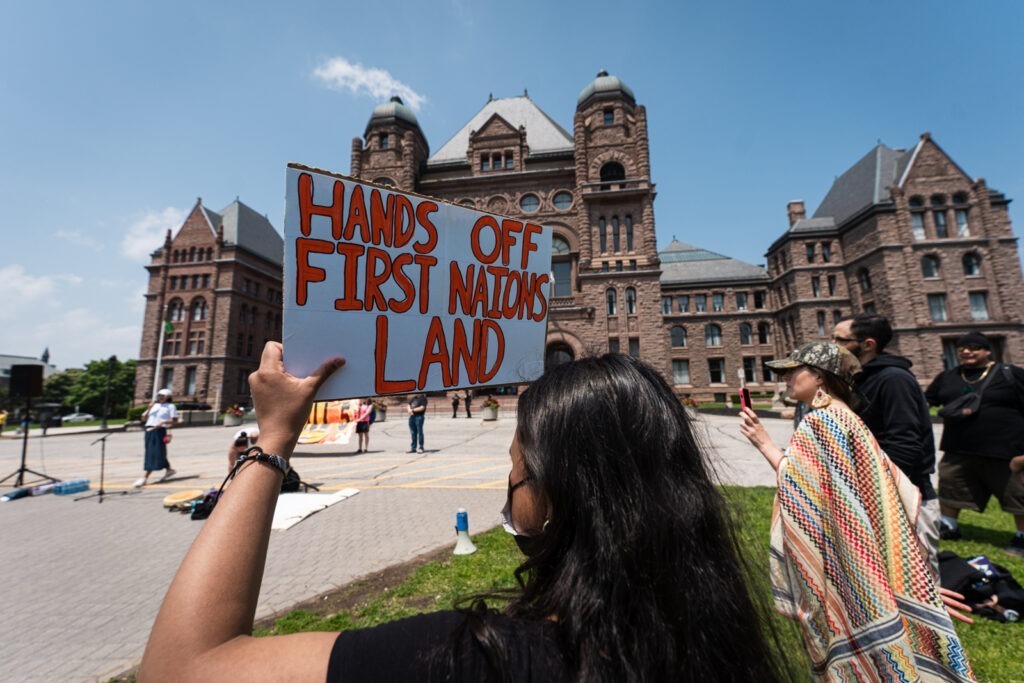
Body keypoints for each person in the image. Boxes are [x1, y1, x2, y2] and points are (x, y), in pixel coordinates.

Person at [140, 345, 794, 681]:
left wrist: (272, 441)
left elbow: (184, 670)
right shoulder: (718, 648)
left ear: (556, 493)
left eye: (516, 464)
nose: (508, 482)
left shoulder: (476, 660)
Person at [739, 342, 973, 681]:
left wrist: (763, 443)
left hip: (847, 561)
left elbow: (802, 491)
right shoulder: (847, 417)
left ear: (819, 375)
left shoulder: (820, 422)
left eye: (793, 371)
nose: (786, 378)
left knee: (856, 647)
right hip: (868, 550)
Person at [833, 314, 941, 573]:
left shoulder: (893, 379)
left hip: (906, 496)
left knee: (917, 576)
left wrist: (884, 491)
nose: (833, 344)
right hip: (875, 492)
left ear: (868, 344)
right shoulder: (858, 378)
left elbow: (904, 442)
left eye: (840, 339)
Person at [925, 331, 1024, 558]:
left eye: (973, 347)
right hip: (958, 448)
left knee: (1017, 495)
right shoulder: (948, 376)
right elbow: (927, 400)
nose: (967, 351)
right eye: (962, 348)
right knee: (951, 487)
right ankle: (949, 526)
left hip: (1006, 450)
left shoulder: (1010, 374)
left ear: (987, 350)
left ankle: (1021, 537)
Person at [134, 389, 179, 487]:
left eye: (163, 396)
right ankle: (169, 470)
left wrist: (163, 422)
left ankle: (145, 477)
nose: (160, 397)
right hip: (149, 430)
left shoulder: (170, 406)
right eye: (159, 395)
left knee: (153, 452)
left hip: (159, 431)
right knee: (155, 452)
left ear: (168, 397)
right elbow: (143, 418)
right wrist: (149, 408)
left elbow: (175, 420)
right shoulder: (154, 405)